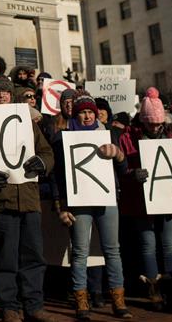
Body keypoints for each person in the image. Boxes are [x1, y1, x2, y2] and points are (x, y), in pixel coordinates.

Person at [0, 75, 55, 322]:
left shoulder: (26, 121)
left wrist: (43, 163)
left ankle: (34, 306)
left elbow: (47, 152)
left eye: (5, 92)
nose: (2, 95)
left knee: (34, 256)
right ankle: (9, 307)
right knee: (4, 257)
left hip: (29, 199)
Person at [53, 92, 132, 320]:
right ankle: (81, 301)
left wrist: (117, 155)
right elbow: (57, 175)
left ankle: (118, 300)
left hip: (107, 199)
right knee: (80, 252)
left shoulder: (108, 134)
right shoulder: (63, 137)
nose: (87, 116)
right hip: (79, 202)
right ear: (75, 115)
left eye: (90, 112)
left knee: (112, 250)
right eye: (82, 113)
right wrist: (61, 206)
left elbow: (124, 169)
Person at [117, 87, 172, 310]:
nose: (154, 127)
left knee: (169, 245)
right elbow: (120, 168)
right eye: (150, 123)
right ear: (143, 120)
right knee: (147, 245)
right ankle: (153, 289)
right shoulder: (128, 137)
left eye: (157, 123)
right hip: (141, 200)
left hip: (168, 198)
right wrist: (131, 174)